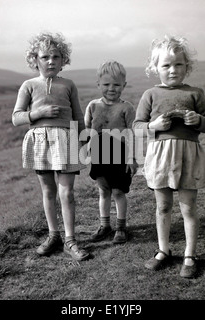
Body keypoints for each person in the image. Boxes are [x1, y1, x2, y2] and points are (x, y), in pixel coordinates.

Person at [133, 36, 205, 278]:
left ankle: (190, 255)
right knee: (163, 206)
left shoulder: (195, 93)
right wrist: (154, 125)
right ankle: (163, 250)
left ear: (186, 67)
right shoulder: (150, 94)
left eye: (178, 64)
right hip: (160, 157)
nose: (172, 70)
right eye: (166, 65)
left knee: (188, 207)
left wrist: (198, 120)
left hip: (188, 156)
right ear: (154, 68)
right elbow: (137, 126)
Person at [12, 32, 89, 261]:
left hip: (66, 141)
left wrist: (84, 140)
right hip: (40, 142)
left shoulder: (68, 85)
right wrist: (39, 113)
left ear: (63, 60)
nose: (51, 61)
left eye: (56, 56)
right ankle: (53, 235)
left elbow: (78, 115)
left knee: (67, 192)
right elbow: (16, 118)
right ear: (34, 59)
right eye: (45, 56)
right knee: (48, 191)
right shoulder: (28, 85)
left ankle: (70, 240)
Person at [84, 60, 138, 244]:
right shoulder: (92, 106)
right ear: (98, 84)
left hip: (120, 154)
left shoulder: (126, 108)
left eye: (116, 84)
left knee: (118, 192)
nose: (111, 88)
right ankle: (104, 226)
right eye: (106, 84)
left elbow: (132, 134)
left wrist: (132, 158)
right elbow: (87, 131)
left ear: (124, 85)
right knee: (103, 190)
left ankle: (121, 228)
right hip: (99, 153)